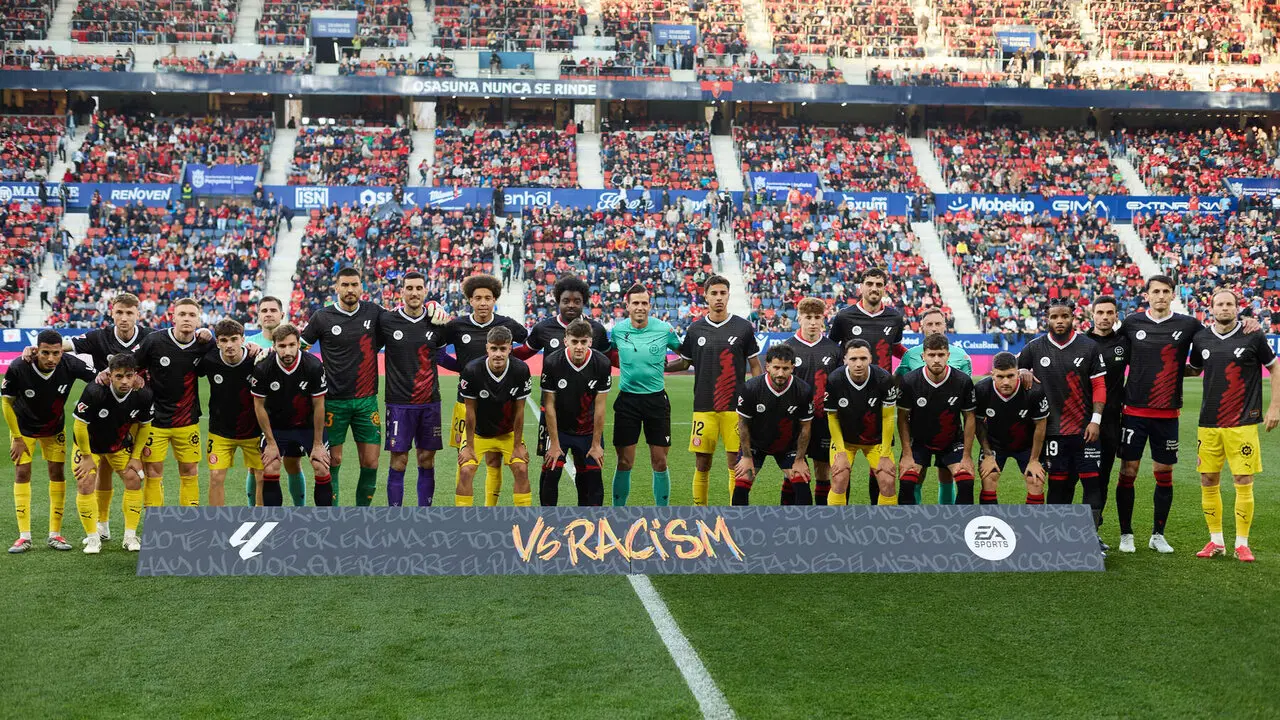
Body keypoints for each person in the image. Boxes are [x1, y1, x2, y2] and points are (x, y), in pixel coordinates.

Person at [1113, 275, 1204, 554]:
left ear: (1173, 295)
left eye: (1166, 291)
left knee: (1164, 473)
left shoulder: (1188, 325)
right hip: (1134, 412)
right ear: (1147, 295)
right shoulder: (1131, 323)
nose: (1161, 296)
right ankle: (1126, 534)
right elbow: (1114, 354)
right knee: (1128, 471)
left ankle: (1158, 535)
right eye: (1156, 291)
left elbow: (1198, 365)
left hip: (1167, 414)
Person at [1187, 288, 1280, 562]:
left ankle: (1242, 543)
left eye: (1229, 304)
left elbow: (1274, 368)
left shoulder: (1254, 334)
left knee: (1243, 480)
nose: (1224, 308)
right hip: (1209, 422)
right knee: (1208, 479)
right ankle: (1216, 541)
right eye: (1220, 304)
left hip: (1243, 422)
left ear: (1237, 308)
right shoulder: (1201, 338)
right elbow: (1193, 369)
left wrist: (1275, 406)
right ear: (1211, 308)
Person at [515, 275, 612, 503]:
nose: (571, 305)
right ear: (558, 301)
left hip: (586, 416)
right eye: (566, 300)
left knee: (588, 473)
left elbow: (610, 358)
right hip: (554, 415)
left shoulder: (596, 330)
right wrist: (498, 354)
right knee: (550, 469)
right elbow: (524, 353)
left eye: (576, 301)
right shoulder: (544, 328)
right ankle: (548, 521)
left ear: (583, 302)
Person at [667, 275, 761, 505]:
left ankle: (734, 513)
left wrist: (760, 396)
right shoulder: (696, 329)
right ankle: (701, 512)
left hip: (734, 409)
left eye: (722, 293)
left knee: (734, 462)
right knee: (702, 463)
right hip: (703, 407)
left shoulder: (743, 327)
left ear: (728, 295)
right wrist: (661, 366)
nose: (718, 298)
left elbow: (756, 365)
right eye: (714, 293)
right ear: (705, 296)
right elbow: (685, 362)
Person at [1017, 301, 1107, 534]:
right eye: (1054, 317)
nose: (1059, 321)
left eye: (1064, 316)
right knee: (1058, 484)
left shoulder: (1089, 347)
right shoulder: (1034, 348)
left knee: (1092, 482)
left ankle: (1091, 536)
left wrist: (1095, 421)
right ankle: (1057, 535)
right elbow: (1012, 374)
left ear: (1073, 317)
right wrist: (1022, 371)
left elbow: (1099, 386)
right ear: (1047, 319)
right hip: (1052, 431)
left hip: (1085, 430)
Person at [4, 330, 97, 553]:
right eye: (45, 353)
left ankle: (55, 534)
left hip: (54, 430)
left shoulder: (69, 364)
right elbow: (7, 402)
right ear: (36, 350)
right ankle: (24, 536)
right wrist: (16, 437)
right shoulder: (19, 366)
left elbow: (99, 378)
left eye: (56, 353)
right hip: (23, 430)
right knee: (22, 473)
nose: (51, 358)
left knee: (57, 474)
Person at [300, 267, 386, 506]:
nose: (350, 289)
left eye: (354, 284)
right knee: (333, 461)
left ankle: (360, 515)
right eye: (345, 285)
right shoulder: (322, 317)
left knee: (371, 463)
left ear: (362, 287)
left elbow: (404, 324)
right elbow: (299, 349)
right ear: (336, 288)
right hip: (333, 402)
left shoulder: (376, 313)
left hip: (366, 401)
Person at [441, 274, 527, 505]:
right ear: (470, 300)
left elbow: (526, 342)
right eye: (477, 298)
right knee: (466, 460)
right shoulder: (457, 325)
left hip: (500, 403)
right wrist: (461, 368)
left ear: (494, 300)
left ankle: (491, 509)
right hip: (465, 403)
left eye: (488, 298)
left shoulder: (506, 324)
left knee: (494, 460)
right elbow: (437, 352)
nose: (483, 303)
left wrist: (512, 368)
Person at [827, 268, 907, 503]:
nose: (874, 288)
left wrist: (917, 358)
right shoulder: (844, 316)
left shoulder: (894, 317)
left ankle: (879, 524)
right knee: (841, 473)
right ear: (860, 287)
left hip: (881, 396)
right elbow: (832, 351)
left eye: (879, 284)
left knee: (882, 473)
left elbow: (897, 348)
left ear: (885, 288)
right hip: (848, 396)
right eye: (869, 283)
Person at [133, 298, 216, 507]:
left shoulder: (204, 345)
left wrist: (210, 337)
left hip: (187, 420)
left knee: (190, 470)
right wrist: (137, 378)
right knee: (153, 471)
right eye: (182, 314)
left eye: (191, 315)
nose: (186, 319)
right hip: (155, 420)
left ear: (199, 320)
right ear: (173, 318)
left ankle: (188, 523)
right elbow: (131, 365)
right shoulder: (154, 341)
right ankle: (157, 522)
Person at [70, 353, 152, 554]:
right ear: (110, 375)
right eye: (119, 376)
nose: (124, 381)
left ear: (135, 375)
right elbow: (79, 426)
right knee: (85, 481)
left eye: (129, 375)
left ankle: (130, 536)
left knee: (133, 479)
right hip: (89, 446)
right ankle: (92, 538)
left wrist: (135, 457)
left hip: (119, 445)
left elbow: (145, 426)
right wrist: (87, 457)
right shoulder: (95, 391)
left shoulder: (143, 394)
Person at [380, 272, 448, 506]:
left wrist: (467, 369)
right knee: (399, 460)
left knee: (427, 459)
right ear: (401, 292)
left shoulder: (436, 322)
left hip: (430, 402)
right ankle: (395, 515)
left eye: (419, 288)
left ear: (425, 291)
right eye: (409, 288)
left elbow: (441, 357)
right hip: (399, 403)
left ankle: (424, 513)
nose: (414, 292)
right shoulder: (387, 321)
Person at [611, 283, 682, 506]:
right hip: (627, 401)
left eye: (644, 303)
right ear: (627, 306)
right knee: (624, 461)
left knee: (660, 462)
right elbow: (607, 355)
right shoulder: (617, 330)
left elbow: (687, 356)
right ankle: (617, 511)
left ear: (650, 306)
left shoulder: (664, 329)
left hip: (656, 401)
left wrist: (668, 368)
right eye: (636, 303)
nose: (640, 307)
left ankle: (662, 512)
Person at [895, 307, 972, 503]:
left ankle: (947, 519)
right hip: (919, 429)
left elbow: (967, 396)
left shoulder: (961, 357)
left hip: (949, 429)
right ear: (922, 327)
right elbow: (898, 384)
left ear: (945, 326)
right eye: (930, 324)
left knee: (946, 474)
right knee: (914, 477)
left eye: (938, 323)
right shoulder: (910, 356)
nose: (935, 328)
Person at [251, 324, 331, 506]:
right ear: (274, 345)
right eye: (282, 346)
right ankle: (273, 523)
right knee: (270, 466)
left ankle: (326, 523)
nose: (287, 351)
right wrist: (271, 443)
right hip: (277, 428)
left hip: (308, 427)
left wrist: (318, 444)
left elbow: (319, 405)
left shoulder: (313, 365)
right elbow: (259, 406)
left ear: (298, 344)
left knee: (321, 466)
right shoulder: (264, 368)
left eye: (291, 345)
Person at [456, 327, 532, 506]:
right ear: (487, 348)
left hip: (507, 433)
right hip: (478, 434)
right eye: (494, 349)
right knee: (466, 470)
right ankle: (462, 523)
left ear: (510, 348)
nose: (498, 354)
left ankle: (524, 522)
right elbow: (470, 412)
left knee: (521, 468)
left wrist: (517, 445)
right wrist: (469, 446)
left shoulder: (521, 370)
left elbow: (519, 412)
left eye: (503, 349)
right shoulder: (472, 370)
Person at [539, 319, 611, 506]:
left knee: (593, 476)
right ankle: (547, 521)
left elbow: (601, 407)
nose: (579, 346)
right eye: (574, 341)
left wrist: (596, 444)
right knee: (551, 471)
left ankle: (590, 523)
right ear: (566, 341)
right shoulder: (553, 362)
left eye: (583, 342)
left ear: (590, 342)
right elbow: (549, 406)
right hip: (560, 429)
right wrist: (554, 443)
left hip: (587, 431)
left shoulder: (602, 363)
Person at [732, 344, 815, 505]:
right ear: (767, 366)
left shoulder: (803, 390)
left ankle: (799, 527)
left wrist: (799, 459)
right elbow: (743, 424)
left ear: (793, 367)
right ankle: (737, 528)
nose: (780, 373)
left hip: (788, 445)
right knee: (743, 479)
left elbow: (805, 428)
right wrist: (747, 456)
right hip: (756, 444)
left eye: (785, 368)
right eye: (776, 367)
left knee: (801, 481)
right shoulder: (751, 388)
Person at [824, 339, 898, 506]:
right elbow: (832, 417)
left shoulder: (884, 379)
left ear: (871, 359)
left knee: (888, 480)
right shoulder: (835, 379)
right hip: (845, 440)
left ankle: (886, 528)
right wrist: (841, 452)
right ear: (845, 360)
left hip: (876, 439)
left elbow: (888, 418)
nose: (858, 364)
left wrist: (885, 454)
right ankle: (834, 527)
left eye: (863, 359)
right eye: (853, 359)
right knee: (839, 476)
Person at [783, 297, 842, 505]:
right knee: (791, 470)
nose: (813, 322)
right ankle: (789, 517)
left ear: (823, 319)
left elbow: (838, 385)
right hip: (794, 420)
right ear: (799, 318)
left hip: (823, 420)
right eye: (808, 317)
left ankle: (821, 518)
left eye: (817, 317)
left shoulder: (834, 349)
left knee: (823, 470)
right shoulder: (787, 347)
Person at [199, 319, 262, 507]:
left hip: (254, 431)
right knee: (216, 477)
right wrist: (202, 331)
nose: (229, 345)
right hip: (220, 432)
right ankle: (217, 523)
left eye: (234, 339)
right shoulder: (209, 360)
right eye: (224, 340)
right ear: (217, 342)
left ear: (243, 339)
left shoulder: (256, 360)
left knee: (263, 477)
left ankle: (262, 520)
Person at [974, 352, 1048, 505]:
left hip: (1026, 445)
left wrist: (1034, 460)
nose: (1006, 382)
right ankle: (990, 524)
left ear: (1018, 373)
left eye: (1010, 376)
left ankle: (1032, 527)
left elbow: (1040, 426)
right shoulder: (982, 389)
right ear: (992, 374)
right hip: (995, 444)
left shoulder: (1034, 391)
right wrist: (987, 454)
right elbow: (978, 423)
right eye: (1000, 376)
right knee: (989, 477)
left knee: (1036, 480)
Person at [1085, 295, 1127, 521]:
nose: (1104, 317)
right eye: (1100, 313)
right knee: (1072, 477)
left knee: (1102, 478)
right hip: (1081, 421)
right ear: (1092, 315)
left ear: (1116, 316)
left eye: (1109, 313)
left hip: (1111, 422)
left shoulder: (1124, 343)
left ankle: (1094, 529)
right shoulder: (1080, 343)